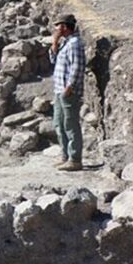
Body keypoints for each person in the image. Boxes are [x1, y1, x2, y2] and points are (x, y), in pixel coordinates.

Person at [49, 14, 85, 171]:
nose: (56, 29)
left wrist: (69, 88)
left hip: (68, 91)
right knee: (59, 123)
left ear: (64, 27)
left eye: (58, 26)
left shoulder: (75, 44)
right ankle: (65, 156)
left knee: (70, 124)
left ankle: (75, 159)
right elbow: (53, 59)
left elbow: (77, 67)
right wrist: (55, 42)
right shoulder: (65, 43)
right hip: (59, 90)